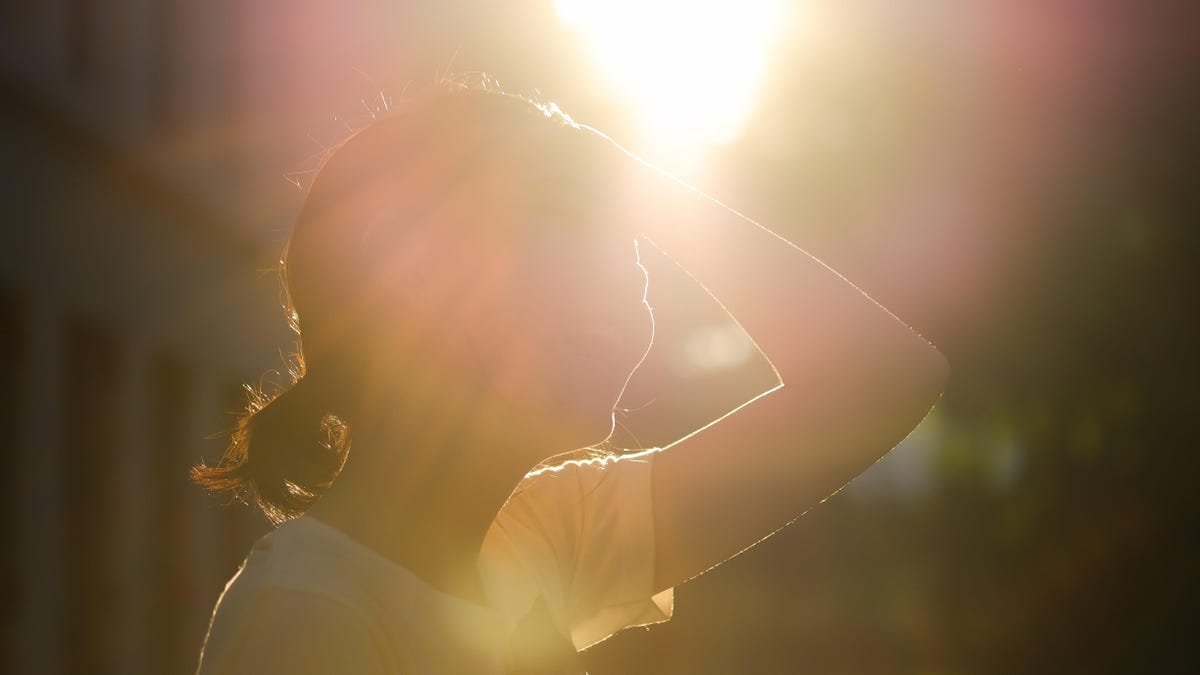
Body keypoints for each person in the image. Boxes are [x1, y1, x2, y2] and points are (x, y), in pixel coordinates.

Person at [193, 82, 948, 674]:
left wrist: (626, 168)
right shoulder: (307, 614)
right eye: (563, 215)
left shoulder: (539, 534)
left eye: (633, 243)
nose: (626, 286)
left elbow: (886, 377)